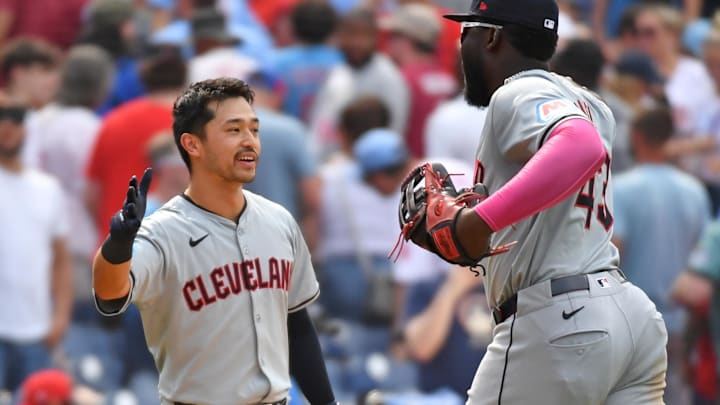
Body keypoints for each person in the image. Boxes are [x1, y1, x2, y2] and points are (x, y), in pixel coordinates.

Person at [402, 0, 668, 402]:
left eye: (466, 32)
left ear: (491, 36)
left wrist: (480, 221)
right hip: (628, 316)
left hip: (560, 320)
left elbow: (581, 145)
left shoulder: (518, 92)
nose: (461, 46)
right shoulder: (592, 102)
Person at [91, 78, 337, 405]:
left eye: (254, 130)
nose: (250, 142)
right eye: (234, 130)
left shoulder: (279, 221)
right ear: (193, 145)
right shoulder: (162, 231)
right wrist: (117, 245)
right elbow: (109, 298)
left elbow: (297, 325)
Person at [612, 107, 711, 405]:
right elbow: (702, 259)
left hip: (633, 327)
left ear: (638, 137)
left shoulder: (621, 188)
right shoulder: (695, 190)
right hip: (682, 322)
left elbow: (613, 254)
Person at [0, 92, 72, 393]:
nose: (7, 128)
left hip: (37, 331)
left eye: (15, 119)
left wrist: (60, 318)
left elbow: (61, 259)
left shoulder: (48, 189)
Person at [85, 49, 186, 241]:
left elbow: (92, 193)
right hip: (172, 245)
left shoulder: (114, 121)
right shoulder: (193, 125)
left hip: (114, 246)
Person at [382, 3, 457, 158]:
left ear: (406, 40)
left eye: (393, 36)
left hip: (411, 172)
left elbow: (392, 136)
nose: (388, 43)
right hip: (444, 172)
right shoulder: (450, 80)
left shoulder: (400, 79)